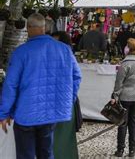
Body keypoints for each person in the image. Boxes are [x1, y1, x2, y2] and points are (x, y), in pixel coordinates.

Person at [0, 13, 81, 158]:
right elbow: (76, 77)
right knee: (46, 152)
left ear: (28, 27)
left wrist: (4, 113)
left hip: (26, 113)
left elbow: (10, 85)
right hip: (51, 113)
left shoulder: (21, 52)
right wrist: (68, 100)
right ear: (44, 28)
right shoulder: (64, 50)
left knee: (26, 155)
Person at [110, 38, 135, 157]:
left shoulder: (125, 63)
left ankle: (120, 150)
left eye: (127, 45)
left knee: (122, 123)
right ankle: (132, 150)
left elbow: (119, 82)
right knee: (134, 122)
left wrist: (115, 96)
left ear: (129, 48)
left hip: (125, 97)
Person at [51, 31, 81, 159]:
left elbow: (77, 77)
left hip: (64, 102)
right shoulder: (57, 55)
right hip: (61, 102)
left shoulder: (65, 55)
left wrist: (70, 97)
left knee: (61, 139)